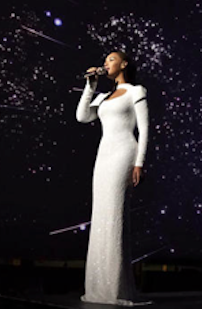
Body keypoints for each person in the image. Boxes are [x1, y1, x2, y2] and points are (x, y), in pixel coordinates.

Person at [76, 51, 150, 306]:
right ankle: (99, 287)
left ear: (123, 64)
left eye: (111, 59)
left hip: (124, 154)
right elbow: (82, 117)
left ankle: (117, 288)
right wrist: (90, 86)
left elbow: (144, 128)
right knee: (101, 216)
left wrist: (139, 162)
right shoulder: (104, 96)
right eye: (105, 60)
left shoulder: (136, 90)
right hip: (103, 157)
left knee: (116, 214)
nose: (106, 63)